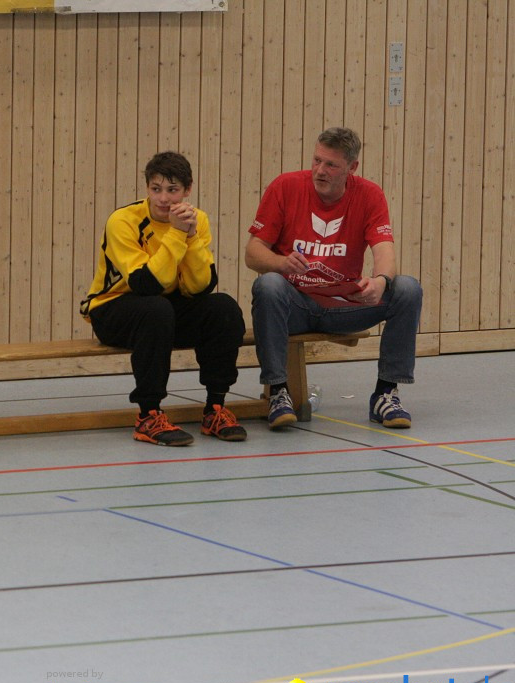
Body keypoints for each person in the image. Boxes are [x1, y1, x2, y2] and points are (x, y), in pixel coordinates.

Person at [245, 127, 423, 429]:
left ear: (351, 168)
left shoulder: (369, 194)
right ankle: (278, 392)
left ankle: (385, 392)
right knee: (268, 284)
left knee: (406, 288)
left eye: (331, 165)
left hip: (345, 306)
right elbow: (253, 253)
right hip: (295, 306)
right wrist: (281, 262)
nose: (320, 171)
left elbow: (385, 250)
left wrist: (380, 281)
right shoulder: (285, 187)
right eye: (316, 161)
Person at [80, 151, 248, 446]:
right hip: (112, 309)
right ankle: (148, 415)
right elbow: (145, 284)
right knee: (155, 308)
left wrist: (192, 237)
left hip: (162, 310)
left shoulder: (197, 221)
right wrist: (175, 234)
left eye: (172, 190)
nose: (163, 199)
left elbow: (200, 287)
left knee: (224, 308)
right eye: (156, 189)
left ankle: (216, 408)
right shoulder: (123, 221)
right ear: (147, 189)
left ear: (188, 191)